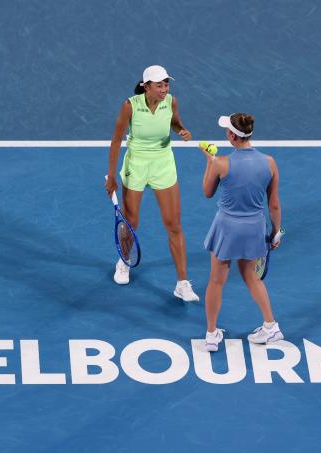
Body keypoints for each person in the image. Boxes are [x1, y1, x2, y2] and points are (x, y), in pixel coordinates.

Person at [105, 65, 199, 302]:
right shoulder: (130, 105)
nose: (164, 89)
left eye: (166, 84)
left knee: (174, 224)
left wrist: (182, 131)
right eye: (159, 85)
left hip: (163, 164)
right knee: (131, 220)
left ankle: (182, 283)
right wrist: (112, 176)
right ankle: (124, 261)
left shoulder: (171, 102)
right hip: (136, 165)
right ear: (146, 86)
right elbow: (116, 140)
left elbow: (175, 123)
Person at [199, 113, 283, 351]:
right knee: (251, 276)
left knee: (216, 281)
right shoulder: (269, 162)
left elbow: (207, 192)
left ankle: (212, 334)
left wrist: (209, 162)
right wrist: (275, 232)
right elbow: (274, 204)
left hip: (227, 228)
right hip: (254, 227)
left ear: (231, 135)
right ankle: (271, 326)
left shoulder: (220, 163)